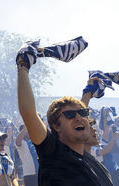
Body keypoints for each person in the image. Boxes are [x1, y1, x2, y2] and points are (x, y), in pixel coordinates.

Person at [16, 49, 113, 185]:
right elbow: (28, 113)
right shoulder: (53, 152)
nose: (79, 118)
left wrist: (88, 93)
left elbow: (79, 113)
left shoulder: (93, 163)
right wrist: (23, 66)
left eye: (83, 113)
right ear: (56, 126)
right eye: (69, 115)